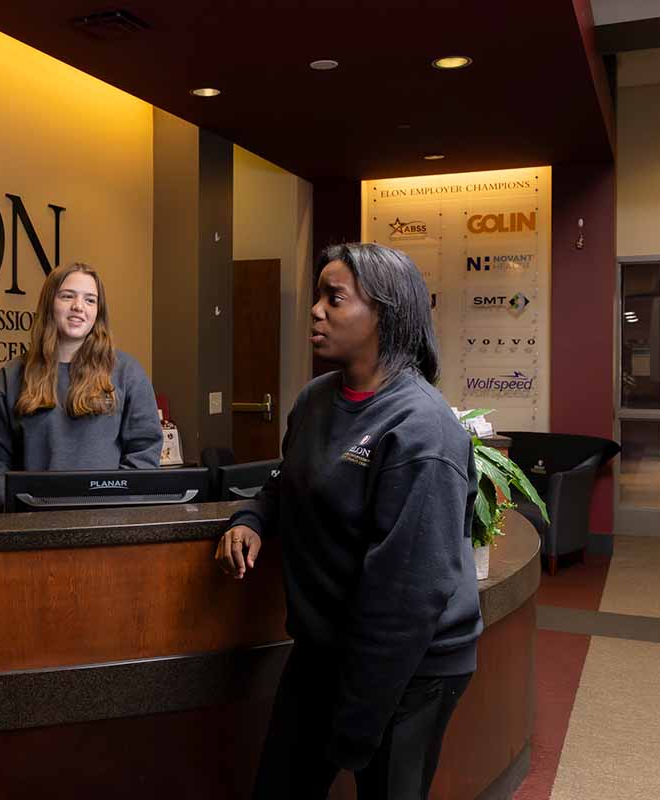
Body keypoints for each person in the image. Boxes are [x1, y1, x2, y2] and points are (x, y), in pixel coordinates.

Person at [215, 242, 481, 800]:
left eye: (334, 298)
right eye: (318, 296)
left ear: (384, 312)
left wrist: (357, 725)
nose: (316, 310)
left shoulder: (423, 431)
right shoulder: (315, 401)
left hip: (410, 667)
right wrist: (253, 518)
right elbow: (289, 482)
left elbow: (406, 597)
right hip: (323, 652)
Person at [0, 262, 163, 510]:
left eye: (90, 300)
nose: (78, 307)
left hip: (108, 528)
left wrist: (115, 510)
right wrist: (20, 509)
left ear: (98, 311)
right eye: (67, 296)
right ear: (49, 303)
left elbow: (145, 453)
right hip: (34, 528)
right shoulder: (11, 378)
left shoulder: (127, 373)